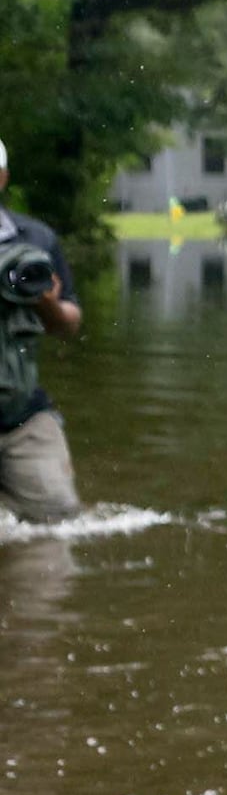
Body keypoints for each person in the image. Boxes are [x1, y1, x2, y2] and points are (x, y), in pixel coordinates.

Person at [0, 138, 85, 526]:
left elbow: (70, 323)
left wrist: (44, 300)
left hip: (22, 414)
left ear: (2, 178)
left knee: (58, 529)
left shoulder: (35, 241)